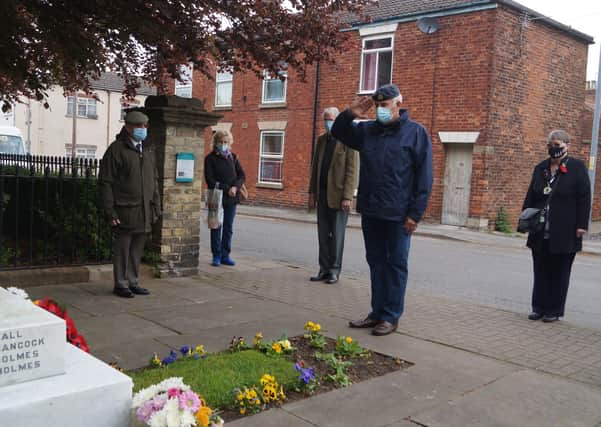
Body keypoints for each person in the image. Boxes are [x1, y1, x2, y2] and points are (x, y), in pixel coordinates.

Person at [331, 84, 433, 336]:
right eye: (377, 106)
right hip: (372, 210)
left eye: (384, 105)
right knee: (376, 263)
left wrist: (415, 214)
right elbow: (338, 132)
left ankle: (390, 316)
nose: (380, 110)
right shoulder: (368, 131)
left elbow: (424, 178)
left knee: (396, 264)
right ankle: (376, 313)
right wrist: (350, 113)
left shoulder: (416, 133)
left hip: (399, 215)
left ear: (398, 104)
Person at [522, 130, 590, 323]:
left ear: (567, 145)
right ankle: (539, 307)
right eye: (550, 145)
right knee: (540, 269)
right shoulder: (541, 168)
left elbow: (584, 198)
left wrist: (581, 225)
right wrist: (525, 219)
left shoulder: (576, 167)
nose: (553, 149)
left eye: (557, 145)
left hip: (566, 230)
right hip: (540, 229)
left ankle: (554, 310)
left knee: (559, 272)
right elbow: (531, 195)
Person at [99, 111, 161, 298]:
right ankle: (121, 283)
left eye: (144, 126)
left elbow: (154, 180)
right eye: (138, 126)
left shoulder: (148, 150)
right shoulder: (116, 150)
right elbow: (105, 182)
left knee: (137, 249)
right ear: (127, 127)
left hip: (145, 209)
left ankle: (133, 281)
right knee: (123, 249)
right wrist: (110, 212)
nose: (142, 130)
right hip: (125, 209)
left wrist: (156, 207)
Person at [308, 107, 359, 284]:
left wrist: (348, 196)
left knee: (337, 236)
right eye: (326, 120)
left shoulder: (349, 139)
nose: (328, 123)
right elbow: (315, 167)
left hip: (339, 197)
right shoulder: (322, 140)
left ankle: (334, 270)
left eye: (331, 119)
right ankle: (323, 269)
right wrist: (312, 192)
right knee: (323, 235)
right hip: (322, 195)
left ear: (338, 120)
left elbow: (353, 170)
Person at [204, 130, 246, 267]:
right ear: (215, 143)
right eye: (221, 142)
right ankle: (216, 255)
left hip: (232, 198)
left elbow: (241, 176)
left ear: (230, 143)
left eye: (226, 142)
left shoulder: (233, 157)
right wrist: (227, 188)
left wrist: (235, 187)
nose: (223, 144)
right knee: (216, 226)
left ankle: (225, 255)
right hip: (216, 197)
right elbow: (210, 180)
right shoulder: (210, 159)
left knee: (228, 227)